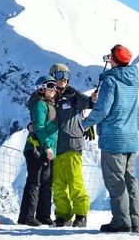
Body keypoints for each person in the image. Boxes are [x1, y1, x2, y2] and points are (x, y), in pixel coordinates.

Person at [81, 45, 139, 233]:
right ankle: (134, 220)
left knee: (115, 180)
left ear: (113, 59)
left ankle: (121, 222)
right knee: (130, 179)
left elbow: (103, 111)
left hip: (113, 138)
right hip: (131, 137)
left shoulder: (111, 82)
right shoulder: (134, 79)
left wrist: (84, 124)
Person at [48, 63, 96, 228]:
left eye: (66, 75)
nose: (63, 79)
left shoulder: (73, 95)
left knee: (75, 182)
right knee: (59, 185)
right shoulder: (49, 97)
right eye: (60, 74)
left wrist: (93, 100)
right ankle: (63, 215)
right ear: (53, 76)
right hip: (55, 148)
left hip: (72, 145)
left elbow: (89, 102)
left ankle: (81, 215)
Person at [18, 75, 58, 226]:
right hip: (36, 148)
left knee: (46, 183)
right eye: (49, 86)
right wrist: (47, 146)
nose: (53, 89)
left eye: (54, 86)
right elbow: (39, 127)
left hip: (46, 150)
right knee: (34, 182)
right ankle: (27, 217)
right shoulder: (40, 105)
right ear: (41, 88)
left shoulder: (51, 104)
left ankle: (43, 215)